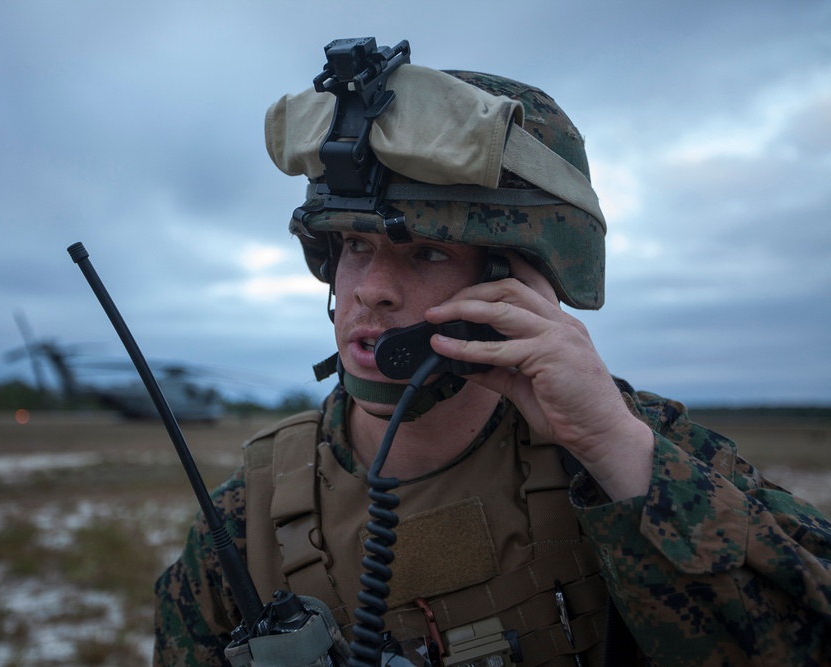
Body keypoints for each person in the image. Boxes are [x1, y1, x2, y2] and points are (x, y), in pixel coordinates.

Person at [154, 38, 831, 666]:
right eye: (355, 245)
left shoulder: (641, 452)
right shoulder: (245, 520)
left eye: (428, 251)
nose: (372, 292)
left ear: (515, 280)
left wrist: (612, 449)